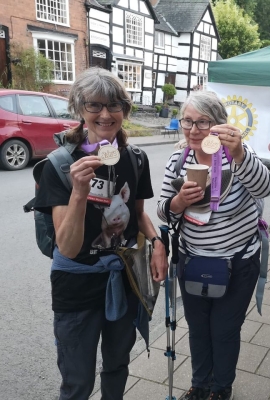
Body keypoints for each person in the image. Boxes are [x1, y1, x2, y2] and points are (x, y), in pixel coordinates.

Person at [34, 67, 167, 400]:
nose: (105, 114)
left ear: (125, 110)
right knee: (78, 381)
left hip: (124, 278)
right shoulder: (60, 165)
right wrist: (78, 191)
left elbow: (137, 215)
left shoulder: (136, 158)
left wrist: (158, 242)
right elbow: (66, 247)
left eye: (114, 105)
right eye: (94, 105)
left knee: (117, 366)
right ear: (80, 109)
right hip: (76, 284)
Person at [157, 91, 270, 400]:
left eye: (203, 122)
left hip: (238, 263)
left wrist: (240, 155)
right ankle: (200, 385)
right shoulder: (179, 159)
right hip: (193, 261)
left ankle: (221, 389)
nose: (194, 130)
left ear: (219, 125)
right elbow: (162, 210)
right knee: (197, 328)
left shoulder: (238, 156)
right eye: (188, 121)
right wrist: (179, 201)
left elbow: (266, 188)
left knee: (223, 330)